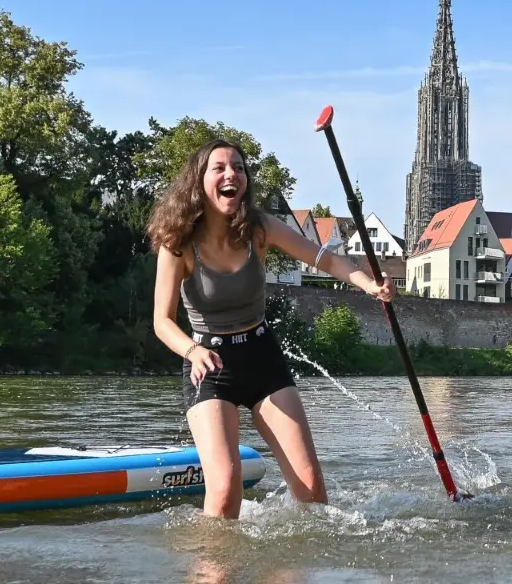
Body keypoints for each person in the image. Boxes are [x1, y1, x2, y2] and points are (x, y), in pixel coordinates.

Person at [147, 139, 394, 519]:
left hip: (262, 358)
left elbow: (324, 259)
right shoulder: (178, 244)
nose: (232, 175)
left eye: (239, 168)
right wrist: (192, 351)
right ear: (199, 182)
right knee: (226, 490)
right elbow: (162, 322)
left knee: (311, 488)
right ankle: (212, 571)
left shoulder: (258, 228)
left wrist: (369, 284)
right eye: (220, 168)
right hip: (209, 366)